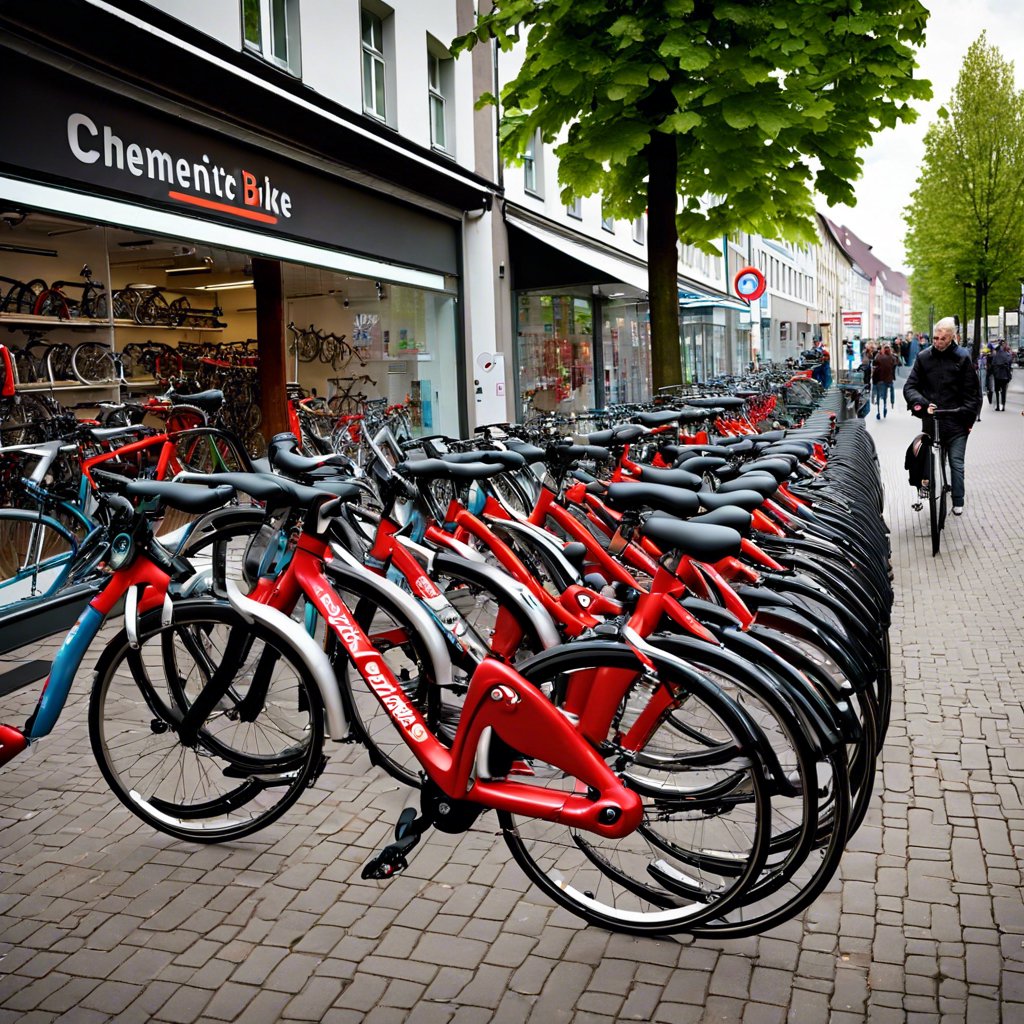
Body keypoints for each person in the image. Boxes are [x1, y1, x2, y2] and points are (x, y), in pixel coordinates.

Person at [903, 316, 982, 516]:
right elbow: (910, 386)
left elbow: (973, 393)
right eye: (936, 338)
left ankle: (958, 500)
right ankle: (924, 490)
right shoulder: (923, 357)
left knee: (956, 461)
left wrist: (969, 420)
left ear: (952, 337)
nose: (937, 342)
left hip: (957, 421)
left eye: (943, 339)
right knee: (925, 459)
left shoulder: (963, 358)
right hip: (932, 420)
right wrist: (921, 403)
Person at [872, 343, 897, 418]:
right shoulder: (892, 357)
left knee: (880, 394)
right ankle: (886, 406)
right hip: (889, 380)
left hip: (880, 379)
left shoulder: (879, 357)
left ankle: (879, 411)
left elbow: (874, 364)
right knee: (887, 393)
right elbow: (896, 364)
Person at [990, 339, 1014, 411]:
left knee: (997, 391)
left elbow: (993, 365)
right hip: (1005, 376)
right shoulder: (1007, 355)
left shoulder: (995, 356)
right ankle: (1003, 406)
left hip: (997, 376)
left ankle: (997, 406)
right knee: (1004, 391)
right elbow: (1010, 362)